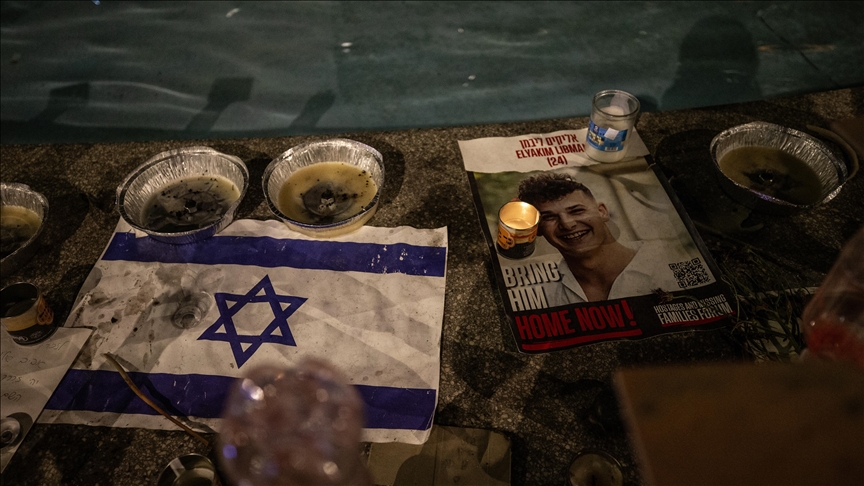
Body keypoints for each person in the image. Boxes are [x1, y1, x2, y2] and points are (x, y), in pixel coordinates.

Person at [517, 172, 705, 304]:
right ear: (536, 228)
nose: (567, 224)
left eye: (577, 211)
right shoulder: (540, 289)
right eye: (549, 217)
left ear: (602, 212)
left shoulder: (670, 261)